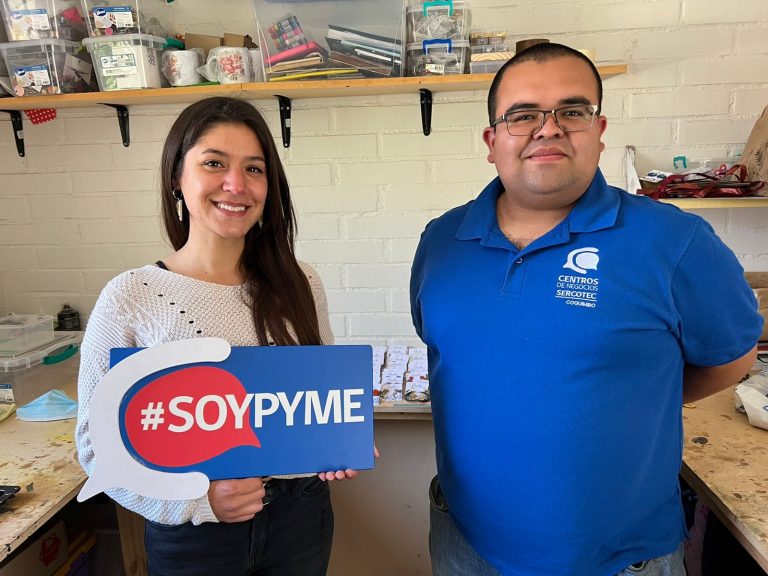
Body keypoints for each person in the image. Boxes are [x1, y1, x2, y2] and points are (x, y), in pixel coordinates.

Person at [409, 43, 763, 576]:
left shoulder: (675, 242)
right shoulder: (441, 241)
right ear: (492, 141)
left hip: (618, 560)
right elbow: (452, 357)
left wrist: (636, 398)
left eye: (571, 111)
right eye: (523, 115)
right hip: (465, 544)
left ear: (598, 131)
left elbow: (732, 360)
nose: (547, 129)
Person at [76, 97, 358, 576]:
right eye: (214, 163)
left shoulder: (301, 282)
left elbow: (319, 398)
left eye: (254, 169)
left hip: (301, 518)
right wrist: (197, 500)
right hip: (194, 536)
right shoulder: (130, 296)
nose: (236, 185)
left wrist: (336, 445)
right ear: (176, 177)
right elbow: (95, 447)